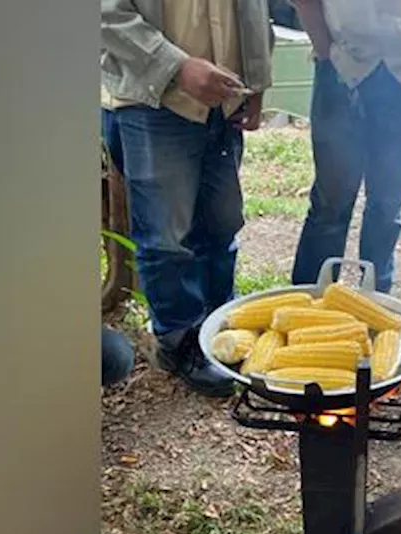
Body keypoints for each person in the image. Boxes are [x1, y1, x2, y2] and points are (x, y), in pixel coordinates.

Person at [101, 1, 274, 397]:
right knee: (166, 234)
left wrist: (257, 82)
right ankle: (178, 340)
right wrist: (176, 67)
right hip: (153, 100)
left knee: (222, 221)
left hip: (225, 98)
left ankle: (219, 323)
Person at [288, 0, 401, 293]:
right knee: (331, 204)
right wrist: (326, 54)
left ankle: (375, 302)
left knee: (387, 205)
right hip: (342, 64)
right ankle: (308, 301)